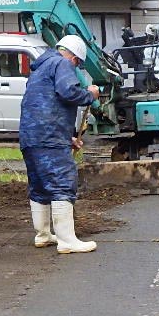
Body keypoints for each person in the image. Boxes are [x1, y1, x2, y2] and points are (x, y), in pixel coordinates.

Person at [19, 34, 100, 254]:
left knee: (39, 186)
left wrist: (67, 137)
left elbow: (47, 104)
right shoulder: (62, 63)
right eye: (78, 64)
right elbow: (68, 92)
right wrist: (90, 94)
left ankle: (43, 234)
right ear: (74, 58)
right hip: (50, 137)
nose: (75, 68)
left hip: (31, 137)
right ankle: (67, 240)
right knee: (62, 182)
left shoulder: (39, 69)